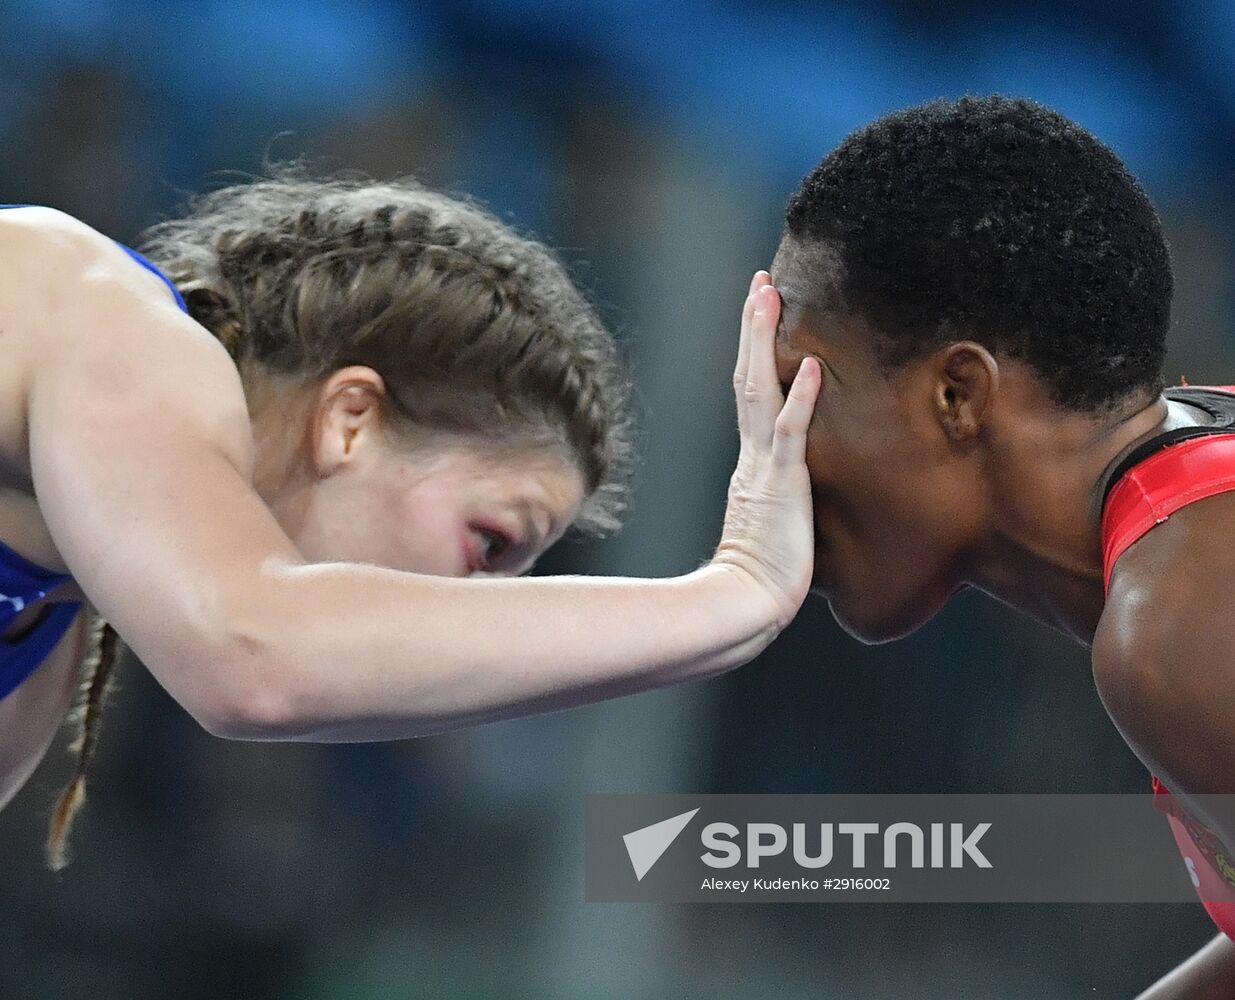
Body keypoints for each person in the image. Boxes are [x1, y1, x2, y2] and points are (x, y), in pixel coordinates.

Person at [0, 176, 821, 869]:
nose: (477, 606)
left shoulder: (41, 628)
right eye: (490, 544)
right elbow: (251, 657)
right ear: (349, 420)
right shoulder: (102, 313)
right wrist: (735, 589)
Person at [768, 94, 1235, 998]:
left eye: (793, 397)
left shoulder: (1178, 630)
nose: (765, 466)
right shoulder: (1195, 517)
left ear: (958, 394)